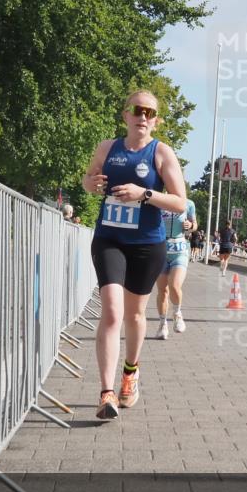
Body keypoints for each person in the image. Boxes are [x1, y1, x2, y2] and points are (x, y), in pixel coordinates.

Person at [82, 89, 188, 420]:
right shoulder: (107, 147)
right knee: (112, 312)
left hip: (146, 243)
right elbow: (87, 181)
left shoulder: (161, 153)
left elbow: (180, 202)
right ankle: (106, 392)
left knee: (135, 315)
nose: (142, 116)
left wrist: (144, 193)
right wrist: (93, 184)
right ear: (126, 115)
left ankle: (130, 372)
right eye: (136, 110)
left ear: (155, 121)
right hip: (109, 238)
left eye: (149, 112)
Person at [155, 196, 197, 339]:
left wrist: (190, 226)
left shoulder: (188, 203)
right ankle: (162, 324)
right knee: (162, 291)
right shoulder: (160, 200)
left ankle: (177, 313)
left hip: (179, 250)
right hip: (161, 250)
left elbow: (195, 224)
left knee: (174, 285)